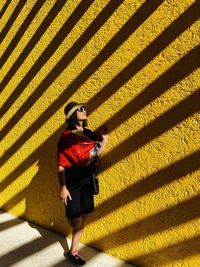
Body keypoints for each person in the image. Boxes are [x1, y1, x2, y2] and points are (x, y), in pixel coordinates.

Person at [57, 101, 108, 265]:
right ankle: (73, 245)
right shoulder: (66, 137)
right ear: (72, 115)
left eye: (84, 108)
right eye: (80, 109)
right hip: (73, 184)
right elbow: (61, 164)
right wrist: (63, 187)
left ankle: (73, 252)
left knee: (84, 216)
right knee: (75, 220)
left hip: (87, 181)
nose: (84, 110)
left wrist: (104, 140)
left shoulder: (88, 132)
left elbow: (95, 154)